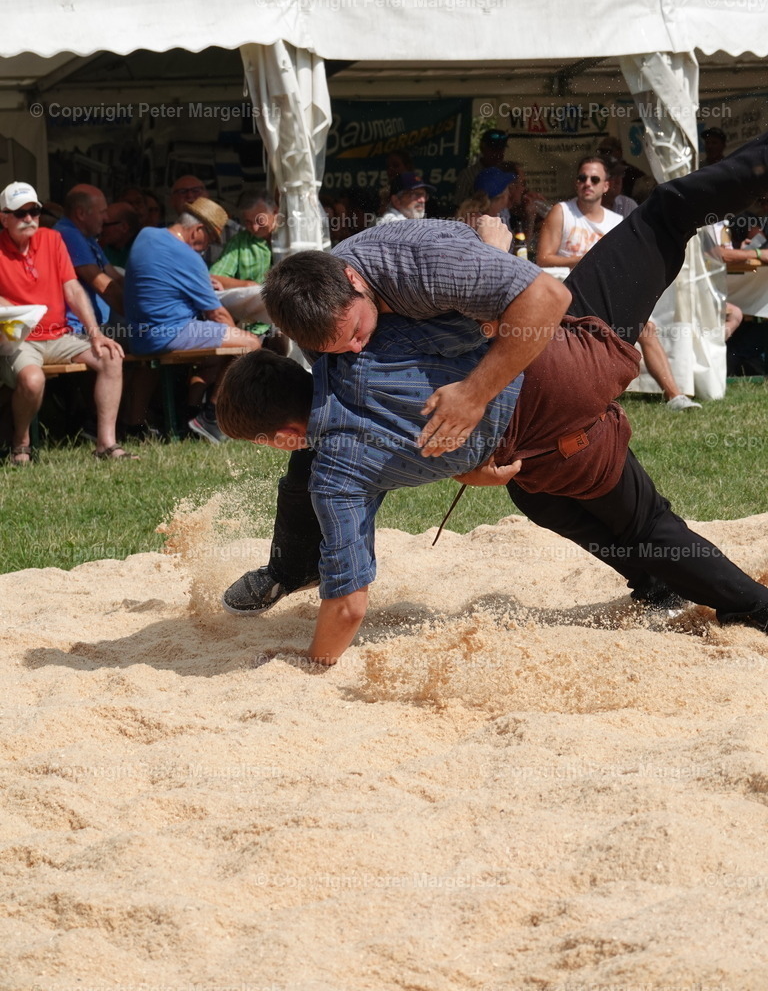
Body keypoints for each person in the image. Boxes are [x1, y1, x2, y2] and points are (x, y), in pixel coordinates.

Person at [216, 131, 768, 663]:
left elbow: (544, 298)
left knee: (630, 518)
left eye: (356, 332)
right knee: (547, 497)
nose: (353, 348)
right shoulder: (334, 341)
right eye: (333, 348)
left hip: (554, 371)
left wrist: (473, 400)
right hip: (546, 396)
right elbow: (393, 423)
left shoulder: (419, 263)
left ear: (354, 281)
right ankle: (663, 581)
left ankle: (743, 603)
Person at [538, 156, 701, 412]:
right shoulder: (562, 212)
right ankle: (584, 399)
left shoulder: (617, 222)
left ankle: (675, 396)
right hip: (567, 292)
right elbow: (543, 258)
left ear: (607, 186)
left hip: (608, 291)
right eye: (582, 178)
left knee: (645, 328)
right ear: (575, 183)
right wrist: (582, 261)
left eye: (594, 179)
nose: (587, 184)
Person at [0, 181, 134, 463]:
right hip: (20, 339)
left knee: (111, 355)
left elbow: (72, 288)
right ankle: (21, 444)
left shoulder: (52, 239)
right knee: (33, 380)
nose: (28, 219)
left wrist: (96, 334)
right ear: (3, 217)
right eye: (19, 213)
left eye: (33, 211)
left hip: (61, 335)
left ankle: (106, 444)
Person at [123, 196, 261, 443]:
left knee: (153, 363)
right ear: (198, 230)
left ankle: (135, 428)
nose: (206, 248)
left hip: (139, 336)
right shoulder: (189, 257)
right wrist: (234, 339)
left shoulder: (145, 236)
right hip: (171, 333)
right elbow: (216, 314)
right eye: (209, 240)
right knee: (250, 344)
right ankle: (212, 416)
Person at [54, 184, 125, 331]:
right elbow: (102, 285)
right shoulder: (68, 234)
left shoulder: (86, 236)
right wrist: (140, 316)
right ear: (81, 213)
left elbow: (115, 277)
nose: (106, 218)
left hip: (95, 327)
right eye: (102, 212)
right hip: (76, 331)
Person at [454, 128, 510, 206]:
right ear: (483, 148)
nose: (498, 154)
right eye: (493, 149)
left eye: (501, 149)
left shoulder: (507, 174)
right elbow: (459, 206)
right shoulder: (467, 175)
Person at [100, 201, 141, 269]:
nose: (101, 229)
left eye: (105, 225)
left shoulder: (141, 252)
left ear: (124, 227)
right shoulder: (104, 247)